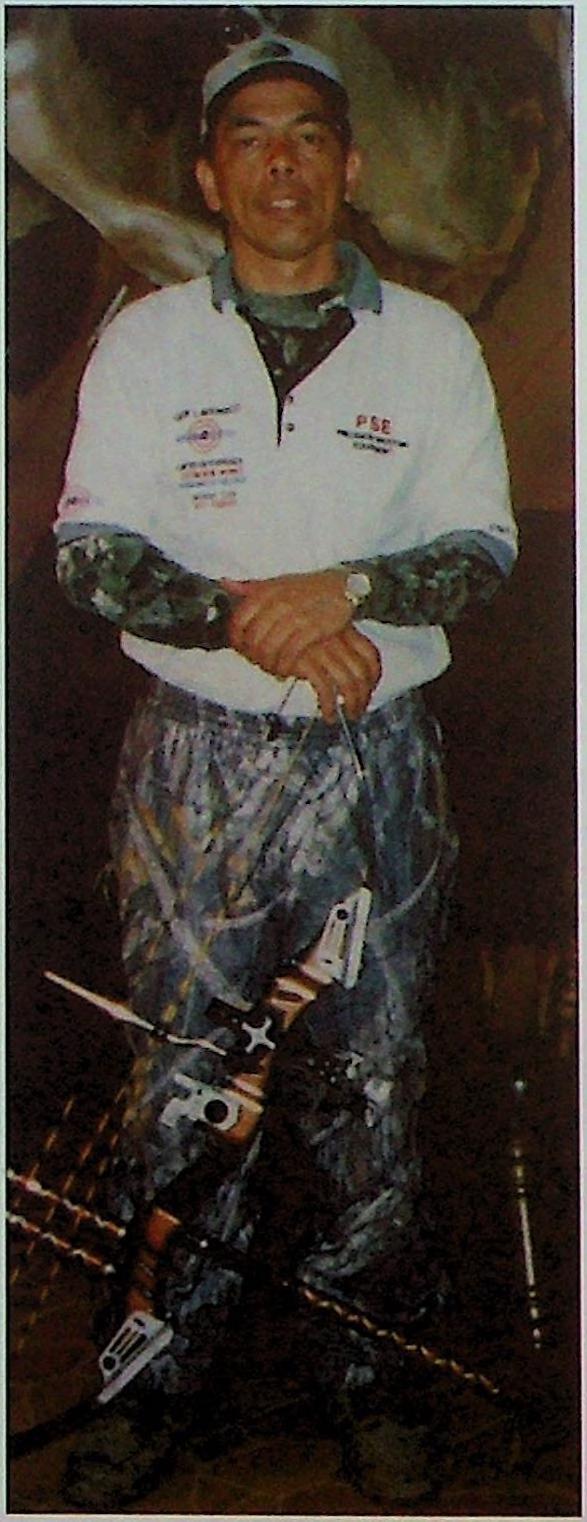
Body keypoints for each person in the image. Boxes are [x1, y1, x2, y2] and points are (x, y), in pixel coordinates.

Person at [53, 32, 517, 1509]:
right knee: (183, 1085)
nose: (279, 162)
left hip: (377, 771)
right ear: (209, 173)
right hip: (192, 775)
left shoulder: (432, 345)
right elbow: (89, 554)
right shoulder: (145, 344)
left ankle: (372, 1382)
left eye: (308, 133)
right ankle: (149, 1387)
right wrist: (254, 618)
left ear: (350, 164)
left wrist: (348, 592)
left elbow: (480, 551)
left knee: (372, 1087)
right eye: (247, 136)